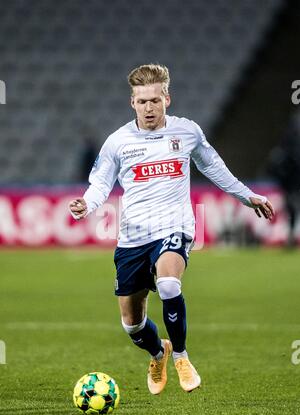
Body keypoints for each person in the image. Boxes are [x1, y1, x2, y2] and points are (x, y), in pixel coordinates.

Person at [69, 64, 274, 394]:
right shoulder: (118, 142)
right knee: (132, 324)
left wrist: (247, 196)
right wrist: (86, 204)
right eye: (141, 101)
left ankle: (181, 355)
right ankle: (158, 351)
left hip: (174, 227)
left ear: (167, 98)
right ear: (132, 103)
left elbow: (214, 167)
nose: (148, 107)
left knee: (167, 284)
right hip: (133, 237)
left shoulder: (186, 132)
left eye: (154, 100)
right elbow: (100, 184)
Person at [268, 112, 300, 247]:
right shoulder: (289, 144)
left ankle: (291, 235)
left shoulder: (288, 143)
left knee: (291, 206)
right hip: (291, 181)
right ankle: (291, 235)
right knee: (291, 207)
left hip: (291, 181)